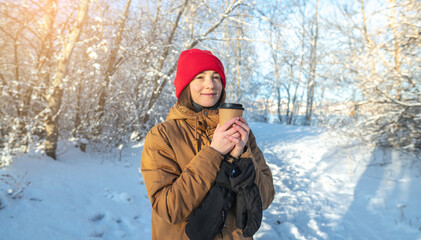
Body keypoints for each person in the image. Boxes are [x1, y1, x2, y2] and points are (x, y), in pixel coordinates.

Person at [141, 48, 275, 240]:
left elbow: (266, 198)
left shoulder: (242, 132)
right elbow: (170, 209)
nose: (210, 85)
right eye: (200, 77)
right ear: (186, 84)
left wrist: (244, 153)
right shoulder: (162, 136)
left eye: (216, 77)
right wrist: (214, 152)